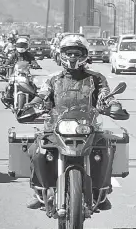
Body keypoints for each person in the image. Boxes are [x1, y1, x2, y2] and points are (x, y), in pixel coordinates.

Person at [23, 34, 123, 211]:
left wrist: (112, 104)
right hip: (56, 126)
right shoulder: (53, 79)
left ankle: (102, 190)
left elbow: (105, 95)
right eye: (68, 53)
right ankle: (39, 191)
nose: (72, 57)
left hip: (88, 126)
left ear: (84, 55)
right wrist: (31, 106)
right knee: (36, 150)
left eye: (77, 53)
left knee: (106, 149)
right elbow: (41, 95)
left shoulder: (96, 78)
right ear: (61, 54)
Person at [1, 37, 40, 106]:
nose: (21, 47)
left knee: (32, 84)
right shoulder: (14, 54)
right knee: (9, 84)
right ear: (16, 46)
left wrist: (35, 65)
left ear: (27, 46)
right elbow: (9, 61)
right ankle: (7, 97)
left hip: (26, 73)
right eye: (20, 45)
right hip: (15, 73)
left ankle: (34, 97)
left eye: (23, 45)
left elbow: (33, 61)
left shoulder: (29, 54)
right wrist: (6, 65)